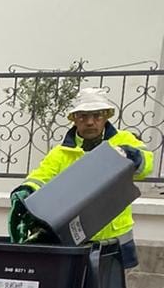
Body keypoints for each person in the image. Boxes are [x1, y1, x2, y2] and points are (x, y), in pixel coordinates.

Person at [12, 86, 153, 267]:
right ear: (74, 119)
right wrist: (26, 190)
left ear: (106, 117)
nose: (90, 122)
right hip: (75, 240)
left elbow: (146, 164)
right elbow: (42, 176)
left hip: (114, 241)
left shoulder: (123, 140)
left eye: (97, 116)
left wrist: (130, 155)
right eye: (83, 116)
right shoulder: (62, 153)